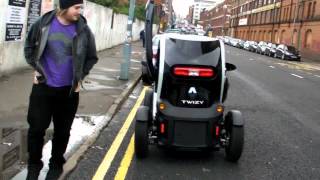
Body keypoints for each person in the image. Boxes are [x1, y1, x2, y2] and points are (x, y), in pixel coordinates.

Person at [24, 0, 98, 179]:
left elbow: (91, 57)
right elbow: (29, 46)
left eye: (81, 7)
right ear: (64, 7)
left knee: (62, 132)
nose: (79, 12)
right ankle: (34, 164)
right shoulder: (42, 24)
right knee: (36, 129)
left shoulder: (83, 30)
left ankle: (56, 164)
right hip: (43, 88)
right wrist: (36, 67)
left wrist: (80, 76)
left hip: (69, 91)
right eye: (76, 7)